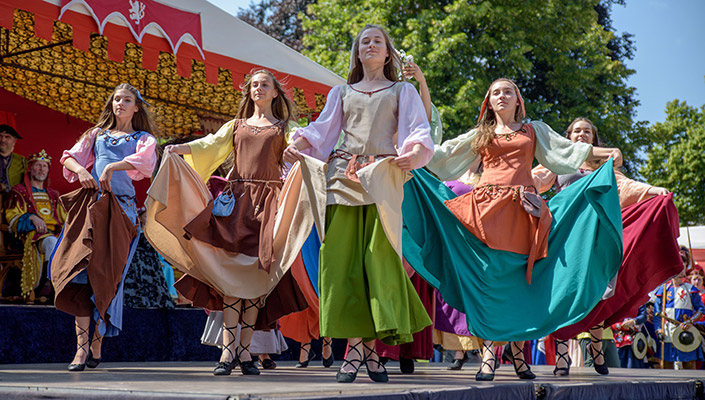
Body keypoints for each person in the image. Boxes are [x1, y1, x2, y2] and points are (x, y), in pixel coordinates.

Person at [401, 78, 625, 381]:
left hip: (523, 213)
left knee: (519, 284)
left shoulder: (534, 131)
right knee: (490, 282)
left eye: (508, 91)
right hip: (484, 212)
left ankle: (518, 354)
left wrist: (609, 151)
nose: (502, 96)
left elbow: (567, 152)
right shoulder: (481, 134)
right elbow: (442, 155)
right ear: (489, 102)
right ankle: (489, 356)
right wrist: (409, 150)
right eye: (496, 92)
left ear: (518, 100)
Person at [283, 24, 434, 383]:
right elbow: (321, 130)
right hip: (342, 179)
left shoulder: (402, 90)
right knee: (342, 264)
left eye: (377, 41)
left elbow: (417, 129)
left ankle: (360, 353)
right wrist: (297, 146)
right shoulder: (341, 92)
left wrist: (414, 153)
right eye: (364, 41)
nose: (370, 45)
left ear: (388, 52)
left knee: (377, 264)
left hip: (382, 179)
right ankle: (361, 354)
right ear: (357, 52)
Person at [160, 69, 302, 377]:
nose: (258, 88)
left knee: (255, 280)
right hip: (236, 204)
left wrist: (303, 148)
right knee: (230, 279)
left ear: (275, 92)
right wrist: (179, 149)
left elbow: (303, 144)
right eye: (254, 85)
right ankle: (228, 350)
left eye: (265, 84)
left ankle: (245, 350)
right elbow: (210, 145)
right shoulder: (236, 126)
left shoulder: (285, 127)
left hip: (268, 206)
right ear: (249, 92)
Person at [534, 117, 681, 376]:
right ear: (569, 136)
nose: (581, 134)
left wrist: (653, 190)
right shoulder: (559, 161)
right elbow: (533, 179)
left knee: (597, 290)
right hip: (566, 233)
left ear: (594, 138)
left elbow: (625, 187)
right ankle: (562, 356)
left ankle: (597, 347)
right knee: (561, 292)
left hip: (595, 236)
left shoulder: (604, 166)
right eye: (577, 131)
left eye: (587, 131)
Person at [52, 83, 158, 371]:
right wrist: (82, 170)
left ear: (136, 107)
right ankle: (81, 350)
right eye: (116, 99)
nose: (120, 103)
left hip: (121, 211)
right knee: (79, 272)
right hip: (92, 207)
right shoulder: (96, 134)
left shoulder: (143, 138)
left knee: (107, 277)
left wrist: (111, 167)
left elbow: (145, 163)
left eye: (127, 100)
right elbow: (68, 157)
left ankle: (97, 344)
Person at [5, 149, 66, 299]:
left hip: (54, 234)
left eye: (44, 166)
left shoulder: (53, 194)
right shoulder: (19, 191)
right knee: (52, 243)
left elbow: (64, 219)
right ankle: (51, 285)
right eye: (37, 165)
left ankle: (63, 287)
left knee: (65, 243)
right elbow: (12, 217)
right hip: (29, 238)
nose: (41, 169)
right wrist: (31, 217)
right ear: (30, 169)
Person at [654, 268, 705, 369]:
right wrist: (658, 329)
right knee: (667, 365)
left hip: (686, 331)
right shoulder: (663, 290)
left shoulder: (690, 289)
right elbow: (657, 313)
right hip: (667, 332)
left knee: (689, 364)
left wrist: (691, 322)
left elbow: (701, 309)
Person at [0, 124, 26, 193]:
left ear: (14, 141)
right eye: (0, 136)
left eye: (7, 137)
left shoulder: (22, 161)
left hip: (14, 198)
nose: (2, 140)